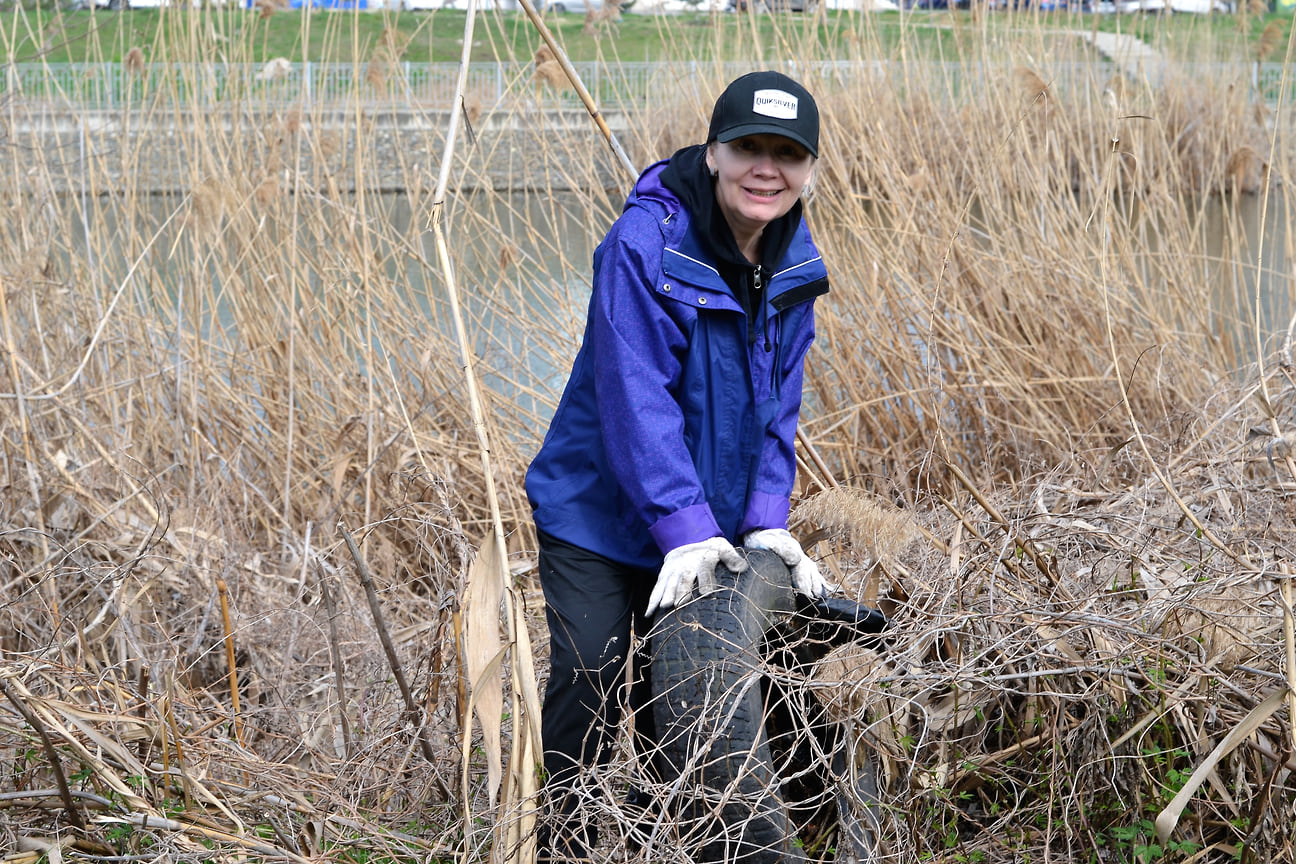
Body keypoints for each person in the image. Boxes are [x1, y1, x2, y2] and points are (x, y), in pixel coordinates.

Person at [524, 70, 833, 861]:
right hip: (599, 516)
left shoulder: (795, 265)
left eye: (788, 154)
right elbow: (637, 403)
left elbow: (778, 410)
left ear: (810, 170)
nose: (767, 169)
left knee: (687, 702)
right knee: (593, 675)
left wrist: (765, 523)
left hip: (709, 527)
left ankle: (678, 843)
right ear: (713, 151)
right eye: (749, 149)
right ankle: (568, 843)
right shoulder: (645, 245)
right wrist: (684, 528)